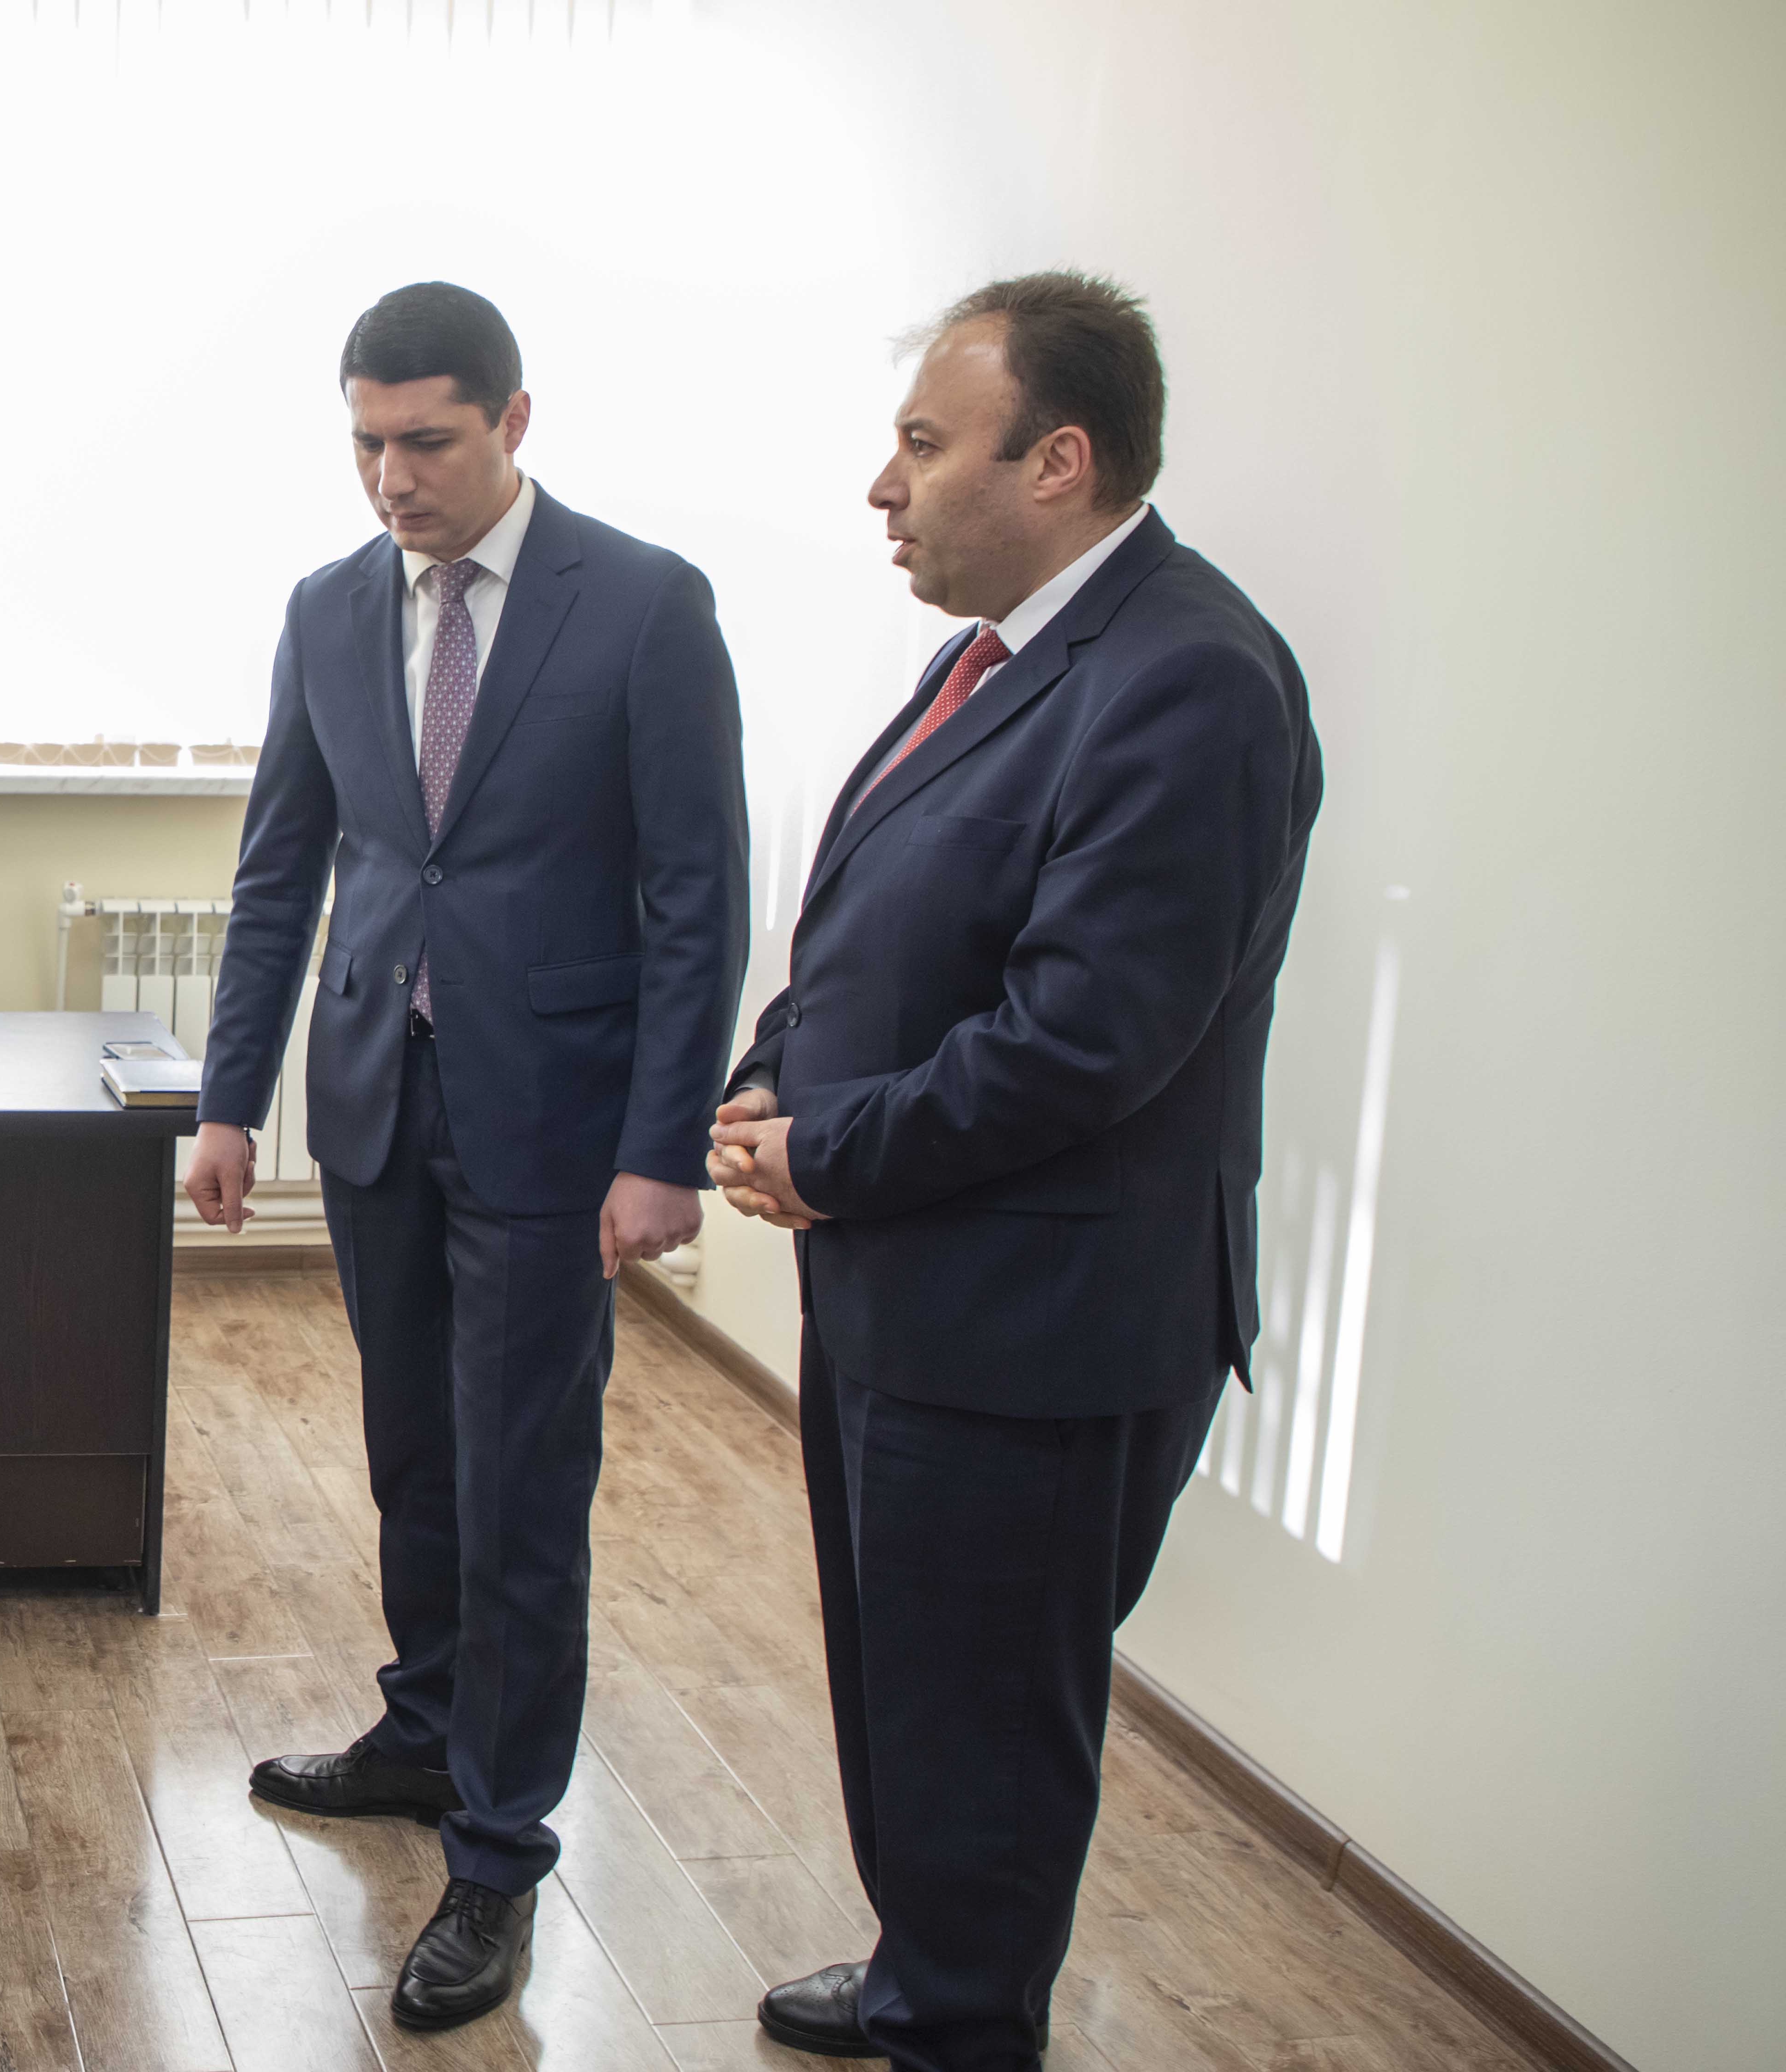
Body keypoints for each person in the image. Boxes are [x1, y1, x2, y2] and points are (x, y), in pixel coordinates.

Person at [710, 272, 1323, 2070]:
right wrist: (774, 1071)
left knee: (981, 1735)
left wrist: (826, 1154)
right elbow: (883, 923)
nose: (883, 485)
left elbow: (1082, 1042)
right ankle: (931, 1977)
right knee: (914, 1701)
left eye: (923, 442)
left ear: (1058, 460)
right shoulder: (1005, 650)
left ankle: (961, 2023)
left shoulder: (1189, 680)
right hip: (915, 1290)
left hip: (1039, 1333)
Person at [185, 281, 750, 2030]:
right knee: (416, 1458)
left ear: (514, 421)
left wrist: (663, 1145)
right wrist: (227, 1101)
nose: (392, 479)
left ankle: (499, 1850)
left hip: (555, 1122)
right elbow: (282, 868)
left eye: (425, 441)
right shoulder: (328, 607)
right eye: (365, 443)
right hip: (375, 1101)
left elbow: (696, 897)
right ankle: (427, 1732)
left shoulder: (643, 605)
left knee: (521, 1491)